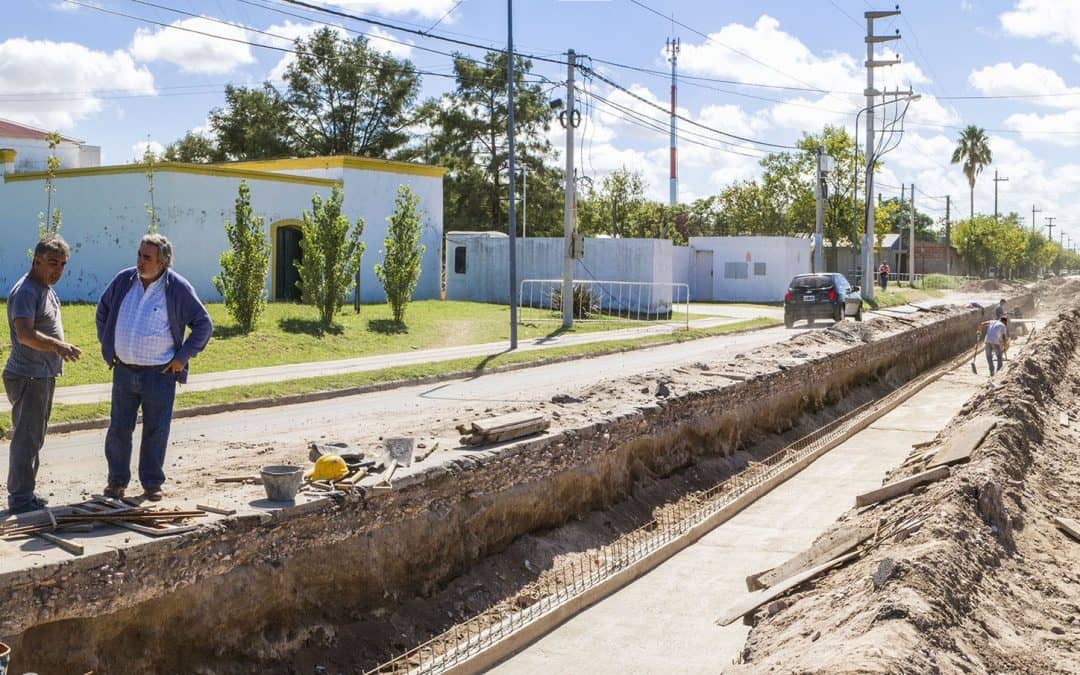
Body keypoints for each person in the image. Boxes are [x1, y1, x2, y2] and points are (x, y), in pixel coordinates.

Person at [96, 234, 212, 501]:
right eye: (139, 254)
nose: (140, 261)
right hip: (124, 370)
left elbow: (203, 324)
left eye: (146, 257)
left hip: (159, 374)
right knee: (119, 429)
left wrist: (182, 357)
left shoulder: (177, 288)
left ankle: (151, 484)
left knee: (156, 429)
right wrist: (109, 344)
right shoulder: (124, 280)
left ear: (163, 262)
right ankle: (116, 482)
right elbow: (102, 310)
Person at [4, 236, 82, 514]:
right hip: (28, 375)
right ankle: (20, 499)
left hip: (41, 374)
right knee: (27, 438)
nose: (58, 270)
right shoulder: (27, 291)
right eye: (52, 263)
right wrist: (57, 346)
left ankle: (26, 493)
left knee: (34, 437)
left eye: (62, 264)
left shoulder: (45, 289)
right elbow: (24, 335)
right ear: (36, 261)